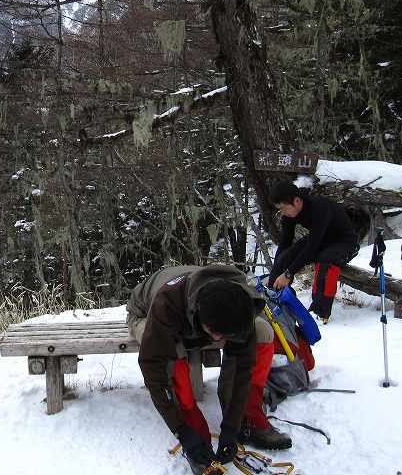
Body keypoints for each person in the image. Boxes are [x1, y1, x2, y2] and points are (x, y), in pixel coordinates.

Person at [127, 264, 291, 475]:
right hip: (145, 312)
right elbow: (152, 368)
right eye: (214, 333)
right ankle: (194, 432)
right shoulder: (167, 304)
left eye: (223, 336)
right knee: (172, 353)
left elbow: (244, 370)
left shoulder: (242, 303)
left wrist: (231, 427)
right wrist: (182, 431)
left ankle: (247, 419)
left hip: (200, 314)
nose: (217, 340)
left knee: (262, 332)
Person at [267, 182, 359, 322]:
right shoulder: (289, 215)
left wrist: (288, 273)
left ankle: (321, 313)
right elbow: (285, 243)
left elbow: (311, 248)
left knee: (325, 260)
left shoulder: (319, 207)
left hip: (345, 241)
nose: (282, 212)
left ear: (296, 201)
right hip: (322, 239)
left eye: (283, 208)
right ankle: (275, 299)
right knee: (287, 256)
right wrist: (276, 271)